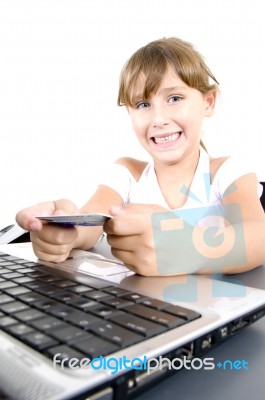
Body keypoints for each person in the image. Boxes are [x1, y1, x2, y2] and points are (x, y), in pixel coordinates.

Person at [16, 37, 265, 276]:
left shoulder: (228, 171)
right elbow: (88, 229)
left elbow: (257, 235)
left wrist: (188, 249)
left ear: (208, 102)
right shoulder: (127, 173)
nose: (158, 119)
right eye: (143, 105)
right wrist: (63, 230)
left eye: (175, 98)